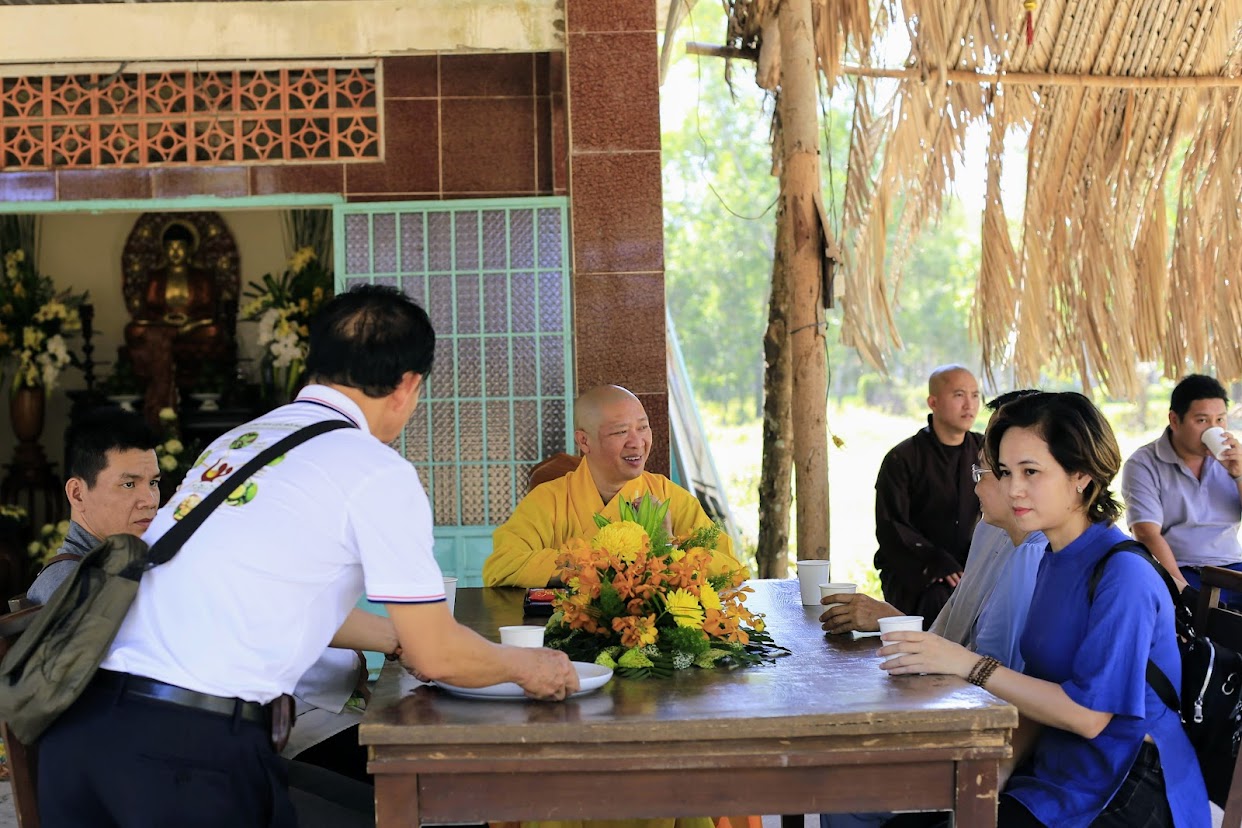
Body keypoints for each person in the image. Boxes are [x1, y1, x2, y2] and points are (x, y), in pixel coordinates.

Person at [38, 285, 579, 828]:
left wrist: (396, 638)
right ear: (408, 386)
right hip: (181, 755)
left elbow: (273, 589)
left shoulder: (237, 443)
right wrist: (529, 666)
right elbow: (438, 655)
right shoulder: (375, 470)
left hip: (82, 738)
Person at [878, 392, 1209, 827]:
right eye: (1004, 472)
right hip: (1057, 773)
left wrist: (966, 664)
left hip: (1126, 784)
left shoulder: (1123, 573)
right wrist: (999, 774)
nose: (1012, 488)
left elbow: (1088, 717)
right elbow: (1041, 687)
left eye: (1030, 471)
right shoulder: (1054, 557)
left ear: (1081, 475)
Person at [822, 390, 1046, 671]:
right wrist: (891, 619)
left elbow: (989, 670)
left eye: (985, 469)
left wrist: (892, 620)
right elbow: (952, 636)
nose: (977, 487)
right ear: (933, 402)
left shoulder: (1036, 552)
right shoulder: (989, 528)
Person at [483, 384, 741, 588]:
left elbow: (731, 567)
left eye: (643, 427)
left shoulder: (666, 496)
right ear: (584, 441)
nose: (637, 442)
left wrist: (666, 547)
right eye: (620, 432)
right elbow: (502, 565)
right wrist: (602, 562)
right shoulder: (549, 499)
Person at [872, 365, 983, 624]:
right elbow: (892, 527)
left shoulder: (984, 451)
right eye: (959, 395)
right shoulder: (903, 458)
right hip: (915, 570)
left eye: (975, 395)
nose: (969, 405)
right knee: (938, 601)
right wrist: (935, 562)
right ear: (933, 402)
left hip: (970, 566)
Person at [1120, 374, 1242, 604]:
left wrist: (1238, 474)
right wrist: (1183, 591)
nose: (1213, 429)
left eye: (1220, 420)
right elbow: (1146, 533)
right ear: (1174, 420)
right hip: (1179, 569)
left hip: (1232, 567)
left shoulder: (1235, 458)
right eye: (1202, 420)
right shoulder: (1143, 464)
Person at [26, 407, 161, 605]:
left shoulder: (129, 568)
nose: (150, 501)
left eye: (153, 483)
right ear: (77, 494)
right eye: (129, 484)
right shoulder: (68, 585)